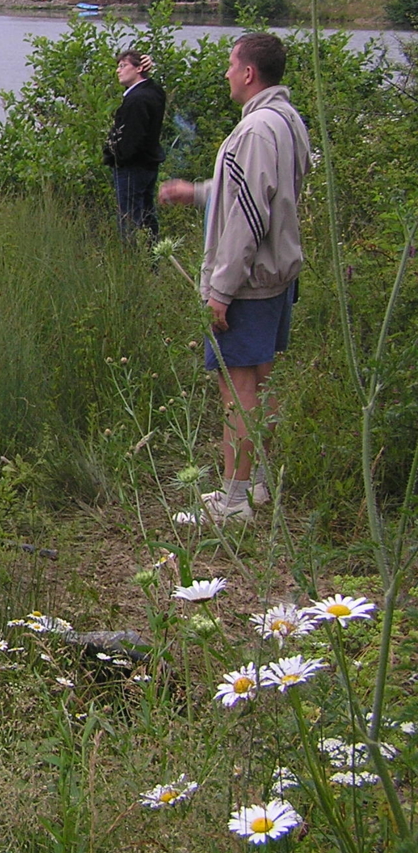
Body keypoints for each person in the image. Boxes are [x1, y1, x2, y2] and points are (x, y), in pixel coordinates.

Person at [158, 33, 311, 522]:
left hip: (249, 281)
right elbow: (264, 192)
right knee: (259, 384)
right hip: (277, 275)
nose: (226, 73)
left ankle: (233, 502)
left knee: (237, 391)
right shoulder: (288, 120)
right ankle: (256, 486)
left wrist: (220, 291)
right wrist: (199, 192)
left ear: (249, 73)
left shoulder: (253, 131)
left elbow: (247, 217)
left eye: (230, 65)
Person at [104, 49, 167, 239]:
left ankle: (133, 260)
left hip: (132, 167)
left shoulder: (137, 99)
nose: (118, 71)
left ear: (139, 68)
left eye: (123, 66)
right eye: (118, 66)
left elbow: (132, 138)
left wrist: (116, 156)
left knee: (129, 218)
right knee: (147, 215)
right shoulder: (152, 92)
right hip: (148, 164)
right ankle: (151, 258)